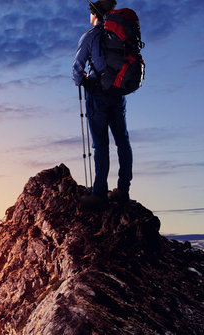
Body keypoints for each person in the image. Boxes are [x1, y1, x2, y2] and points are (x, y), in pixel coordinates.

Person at [72, 0, 133, 209]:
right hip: (118, 93)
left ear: (95, 14)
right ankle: (123, 190)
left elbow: (77, 68)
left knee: (101, 145)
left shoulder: (90, 35)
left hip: (97, 95)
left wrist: (80, 79)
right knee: (122, 141)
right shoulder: (120, 34)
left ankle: (99, 194)